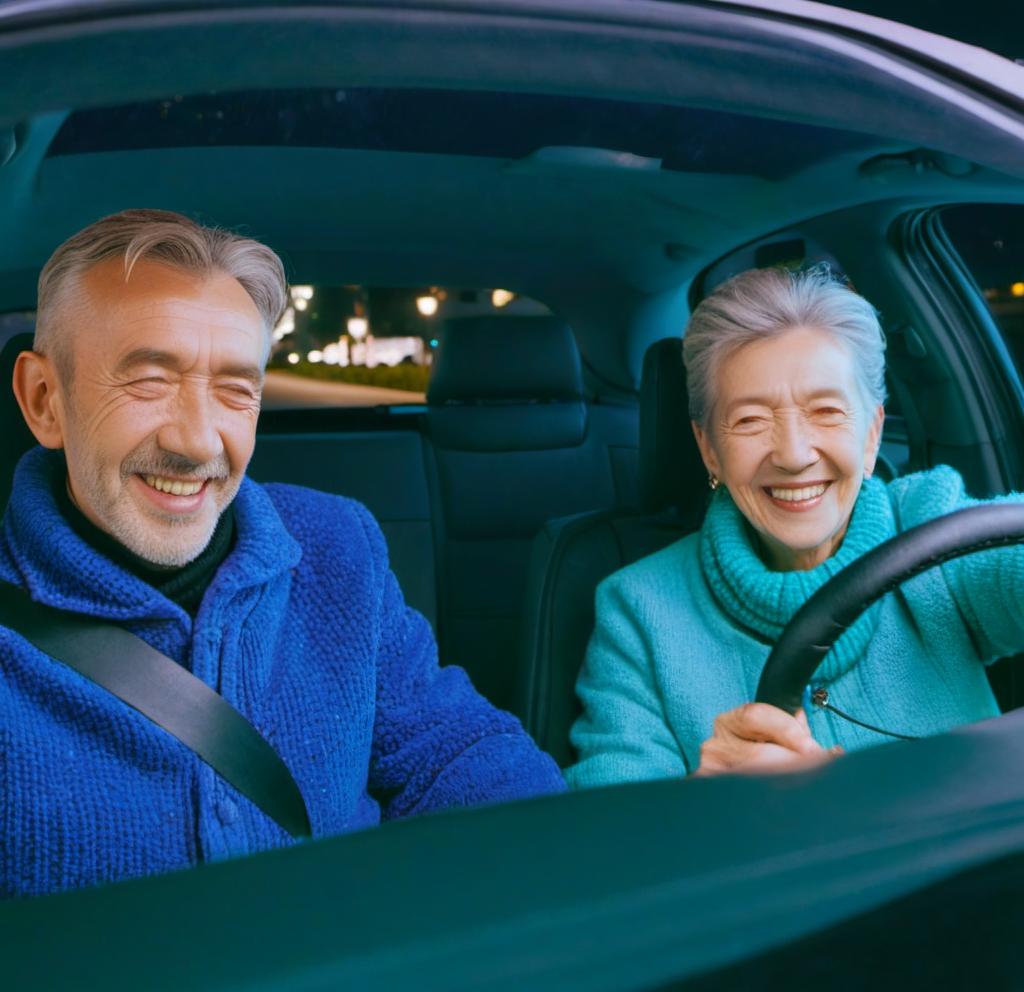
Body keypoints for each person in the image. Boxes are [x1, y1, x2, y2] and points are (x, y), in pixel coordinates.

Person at [1, 209, 564, 899]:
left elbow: (457, 753)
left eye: (236, 390)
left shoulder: (337, 547)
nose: (199, 442)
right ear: (43, 400)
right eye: (149, 381)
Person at [567, 265, 1024, 787]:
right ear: (708, 448)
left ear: (872, 433)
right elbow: (611, 839)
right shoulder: (638, 610)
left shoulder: (933, 529)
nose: (793, 455)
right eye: (750, 420)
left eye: (826, 411)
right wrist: (704, 803)